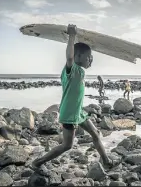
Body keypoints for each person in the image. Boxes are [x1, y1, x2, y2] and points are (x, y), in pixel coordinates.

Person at [32, 24, 120, 174]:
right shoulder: (71, 70)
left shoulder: (81, 71)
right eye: (89, 58)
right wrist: (72, 36)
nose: (91, 61)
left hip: (78, 113)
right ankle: (37, 162)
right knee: (67, 145)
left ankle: (106, 162)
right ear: (78, 57)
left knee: (95, 133)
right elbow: (69, 56)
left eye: (92, 58)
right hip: (68, 114)